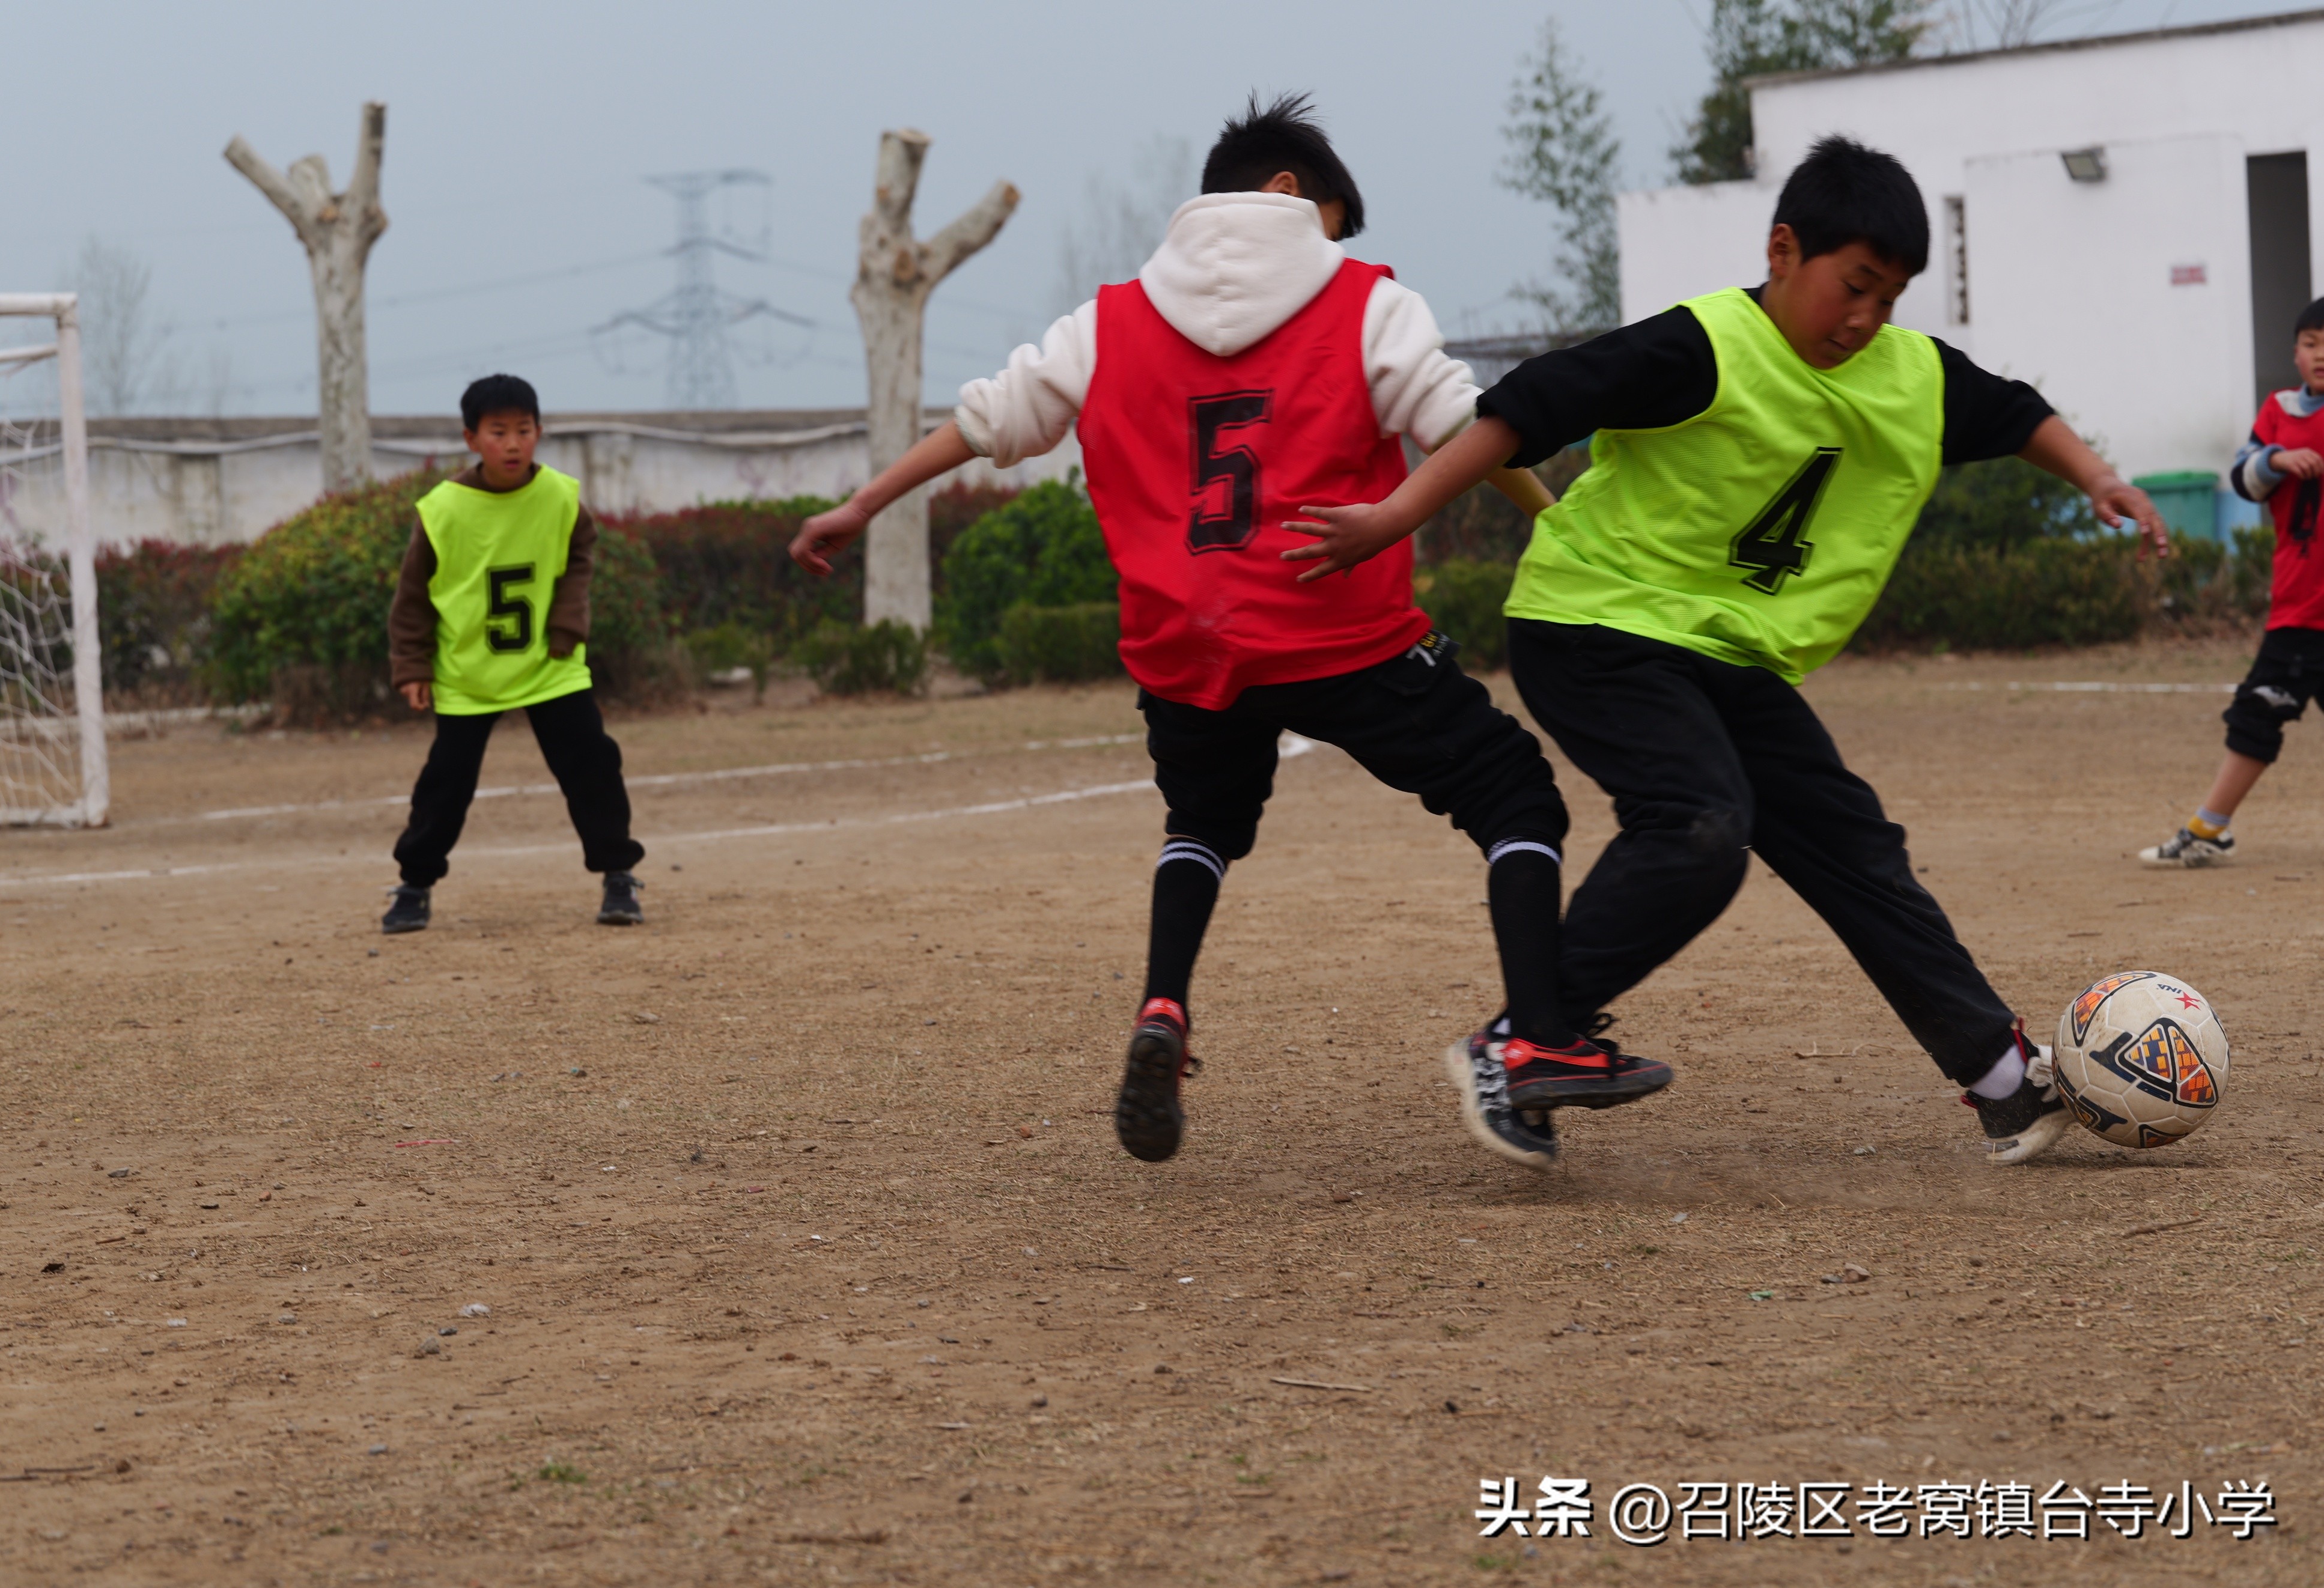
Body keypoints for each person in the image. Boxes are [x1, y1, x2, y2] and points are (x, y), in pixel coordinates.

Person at [790, 94, 1670, 1170]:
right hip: (1340, 627)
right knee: (1513, 793)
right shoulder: (1363, 303)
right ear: (1292, 194)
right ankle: (1537, 1038)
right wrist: (1565, 523)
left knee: (1201, 820)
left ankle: (1164, 1004)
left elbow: (986, 421)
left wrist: (859, 506)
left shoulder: (1107, 319)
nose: (1345, 247)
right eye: (1340, 222)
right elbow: (1467, 427)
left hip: (1188, 645)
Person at [1283, 135, 2167, 1166]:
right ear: (1784, 250)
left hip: (1726, 653)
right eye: (1855, 285)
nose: (1867, 318)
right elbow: (1523, 409)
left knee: (1851, 843)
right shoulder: (1704, 346)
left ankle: (2003, 1078)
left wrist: (2097, 477)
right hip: (1597, 622)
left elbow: (2011, 410)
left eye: (1890, 297)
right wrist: (1394, 518)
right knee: (1700, 825)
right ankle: (1527, 1034)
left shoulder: (1906, 373)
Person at [381, 373, 646, 934]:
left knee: (594, 766)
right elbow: (412, 597)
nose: (512, 443)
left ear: (540, 433)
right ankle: (414, 885)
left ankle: (619, 876)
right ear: (471, 438)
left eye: (523, 430)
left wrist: (569, 624)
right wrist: (411, 664)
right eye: (497, 431)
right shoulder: (442, 510)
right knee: (446, 785)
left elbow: (579, 559)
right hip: (468, 673)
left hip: (550, 667)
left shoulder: (559, 496)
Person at [2141, 298, 2324, 868]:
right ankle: (2208, 830)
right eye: (2312, 343)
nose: (2322, 355)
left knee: (2254, 714)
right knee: (2255, 715)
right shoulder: (2279, 412)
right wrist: (2276, 459)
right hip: (2299, 606)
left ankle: (2207, 826)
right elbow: (2245, 479)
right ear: (2294, 353)